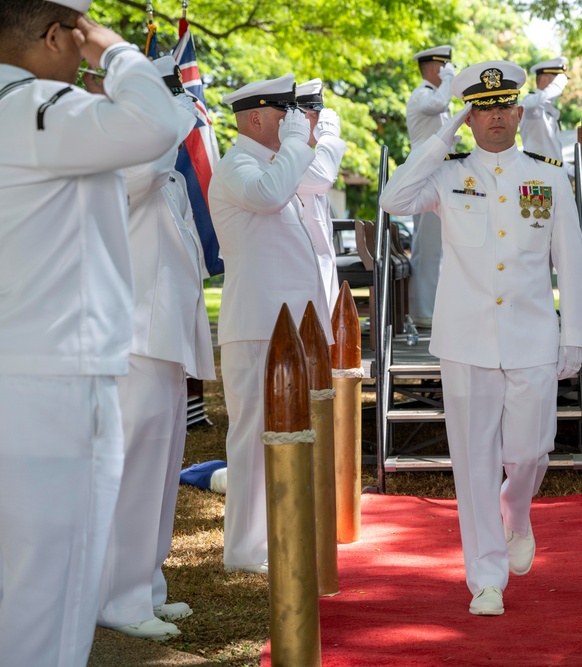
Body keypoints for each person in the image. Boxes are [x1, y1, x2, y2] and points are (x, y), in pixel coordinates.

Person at [0, 1, 183, 664]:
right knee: (52, 591)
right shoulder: (39, 108)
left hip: (26, 367)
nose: (83, 56)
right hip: (56, 384)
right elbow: (158, 121)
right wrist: (118, 53)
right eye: (77, 40)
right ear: (55, 36)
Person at [380, 60, 582, 616]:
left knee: (530, 450)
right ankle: (486, 577)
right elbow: (392, 200)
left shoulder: (547, 176)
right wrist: (441, 132)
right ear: (472, 117)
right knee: (473, 461)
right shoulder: (447, 172)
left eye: (504, 107)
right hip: (466, 339)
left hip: (533, 336)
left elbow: (571, 262)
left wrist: (576, 336)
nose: (496, 117)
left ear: (520, 113)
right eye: (484, 109)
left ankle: (516, 511)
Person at [95, 56, 217, 641]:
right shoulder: (124, 158)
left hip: (165, 341)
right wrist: (169, 108)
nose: (182, 106)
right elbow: (148, 160)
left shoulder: (160, 167)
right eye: (166, 95)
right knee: (132, 475)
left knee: (161, 474)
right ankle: (118, 599)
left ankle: (146, 586)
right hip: (134, 340)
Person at [209, 74, 333, 574]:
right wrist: (300, 142)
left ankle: (274, 534)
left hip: (281, 330)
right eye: (285, 114)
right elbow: (270, 195)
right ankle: (243, 549)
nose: (293, 123)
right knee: (251, 440)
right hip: (257, 327)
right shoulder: (240, 165)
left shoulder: (268, 164)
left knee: (283, 436)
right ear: (256, 118)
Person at [405, 45, 456, 327]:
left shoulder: (434, 94)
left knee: (439, 245)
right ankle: (424, 312)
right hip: (424, 172)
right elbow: (439, 105)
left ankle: (433, 308)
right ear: (435, 68)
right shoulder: (423, 94)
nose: (450, 71)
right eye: (445, 67)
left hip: (437, 171)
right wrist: (449, 79)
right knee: (427, 245)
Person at [296, 77, 347, 314]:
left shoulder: (307, 155)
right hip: (300, 279)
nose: (320, 122)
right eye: (315, 114)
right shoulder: (289, 156)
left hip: (318, 272)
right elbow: (324, 178)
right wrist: (329, 137)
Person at [519, 56, 568, 163]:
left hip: (552, 173)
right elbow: (537, 103)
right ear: (544, 79)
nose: (563, 86)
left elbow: (553, 156)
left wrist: (575, 170)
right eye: (558, 80)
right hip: (536, 173)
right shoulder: (529, 103)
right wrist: (557, 86)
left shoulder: (549, 109)